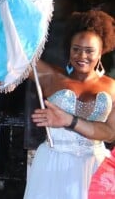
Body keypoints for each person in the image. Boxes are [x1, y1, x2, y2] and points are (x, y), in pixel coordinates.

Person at [23, 10, 115, 199]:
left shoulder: (112, 86)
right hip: (53, 162)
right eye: (76, 49)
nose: (82, 56)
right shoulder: (51, 77)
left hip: (94, 165)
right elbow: (15, 57)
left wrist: (70, 121)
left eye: (89, 51)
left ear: (101, 52)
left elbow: (110, 133)